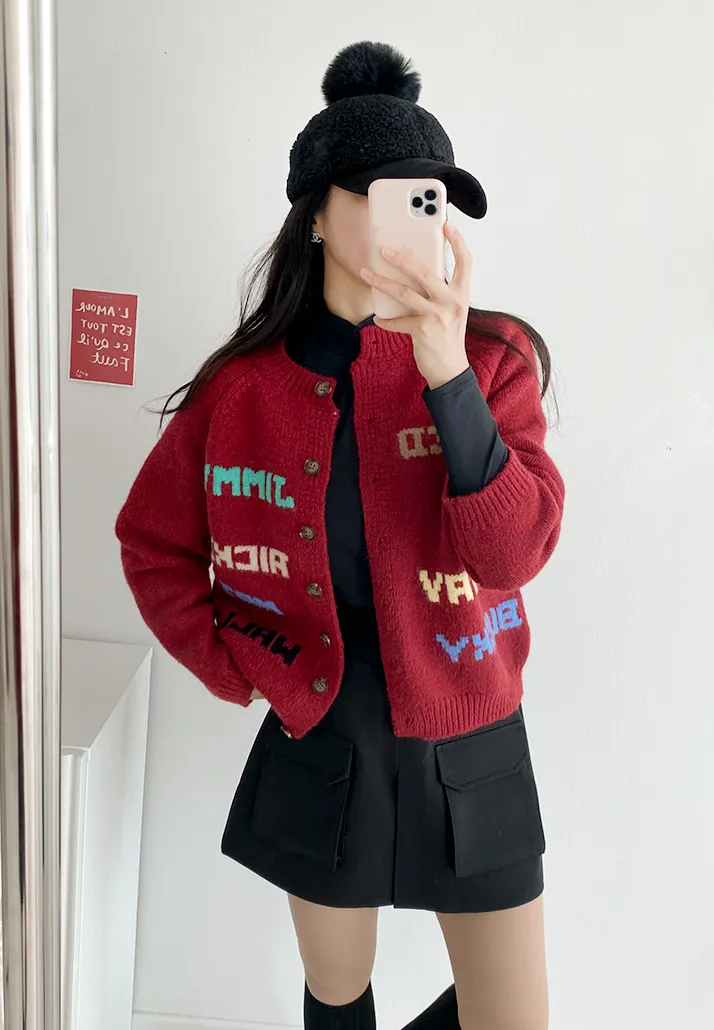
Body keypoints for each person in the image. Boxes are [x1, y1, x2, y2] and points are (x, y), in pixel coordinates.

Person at [115, 40, 564, 1030]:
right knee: (336, 993)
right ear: (317, 213)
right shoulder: (243, 391)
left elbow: (514, 553)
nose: (417, 218)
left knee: (513, 1017)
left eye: (432, 200)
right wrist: (242, 660)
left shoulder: (493, 361)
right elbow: (153, 545)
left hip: (472, 737)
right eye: (389, 194)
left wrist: (448, 377)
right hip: (323, 735)